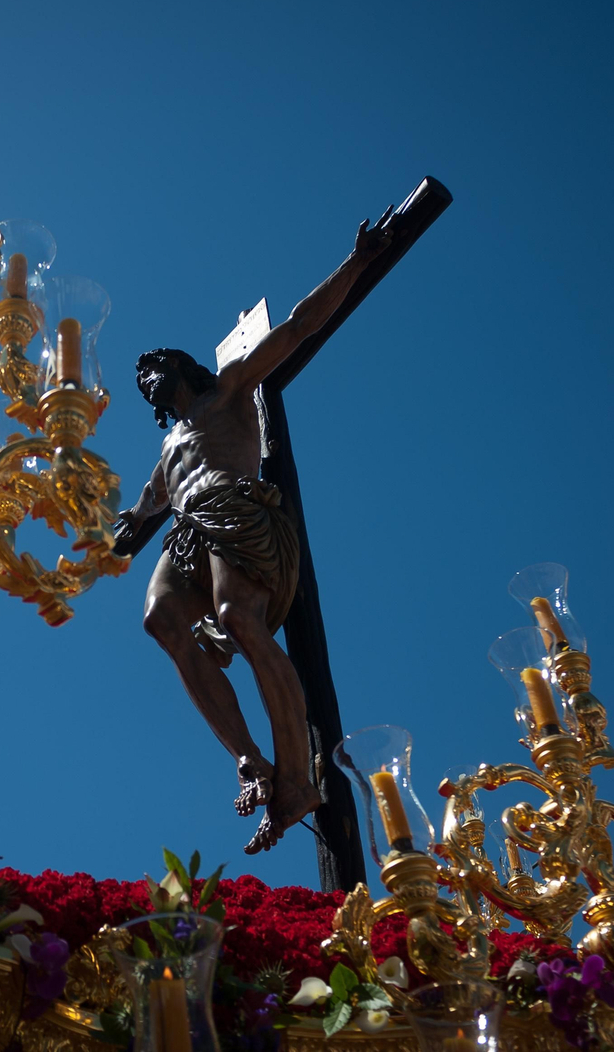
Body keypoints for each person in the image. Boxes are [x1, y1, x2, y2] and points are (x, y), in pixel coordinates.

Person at [114, 209, 396, 853]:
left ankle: (297, 776)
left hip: (235, 508)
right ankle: (250, 760)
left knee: (238, 619)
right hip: (186, 528)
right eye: (139, 382)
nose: (145, 384)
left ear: (179, 368)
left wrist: (357, 263)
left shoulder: (230, 393)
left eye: (150, 371)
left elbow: (298, 326)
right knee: (160, 620)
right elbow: (142, 514)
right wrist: (123, 532)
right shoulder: (166, 455)